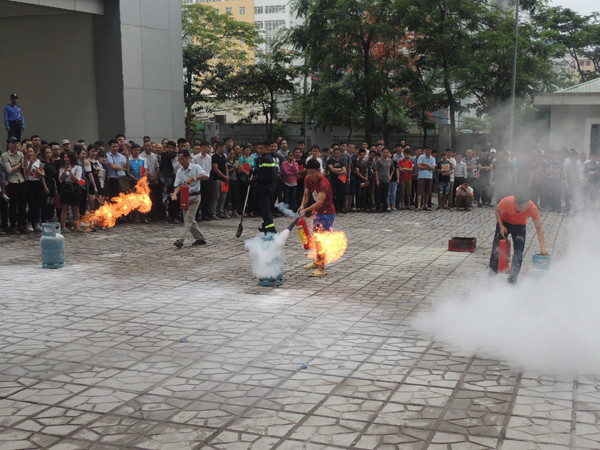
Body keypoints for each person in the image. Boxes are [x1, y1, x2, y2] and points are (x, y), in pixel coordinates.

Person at [489, 192, 548, 284]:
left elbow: (539, 228)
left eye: (527, 205)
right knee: (496, 253)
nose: (526, 208)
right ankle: (491, 280)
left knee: (518, 255)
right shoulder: (507, 201)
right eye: (523, 207)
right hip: (504, 222)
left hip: (520, 226)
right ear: (516, 204)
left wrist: (542, 246)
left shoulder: (532, 207)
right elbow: (497, 210)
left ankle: (511, 283)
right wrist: (501, 225)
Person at [298, 158, 336, 277]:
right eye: (309, 172)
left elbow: (319, 203)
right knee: (316, 239)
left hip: (327, 214)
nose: (311, 175)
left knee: (322, 240)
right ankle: (317, 261)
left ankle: (321, 268)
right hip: (318, 213)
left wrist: (305, 210)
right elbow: (306, 195)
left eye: (313, 172)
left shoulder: (324, 183)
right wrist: (302, 206)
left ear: (319, 171)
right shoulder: (307, 179)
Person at [171, 149, 210, 249]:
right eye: (179, 159)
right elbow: (179, 185)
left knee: (188, 218)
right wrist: (174, 194)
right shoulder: (179, 171)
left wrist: (194, 178)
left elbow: (206, 175)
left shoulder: (196, 167)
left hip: (195, 196)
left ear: (188, 158)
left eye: (183, 159)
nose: (181, 161)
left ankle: (180, 240)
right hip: (185, 197)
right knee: (189, 219)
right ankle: (200, 238)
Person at [1, 136, 27, 233]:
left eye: (16, 143)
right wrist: (20, 164)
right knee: (13, 205)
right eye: (13, 143)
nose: (15, 145)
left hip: (22, 181)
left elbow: (25, 166)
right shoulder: (5, 155)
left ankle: (21, 224)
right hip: (12, 182)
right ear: (8, 144)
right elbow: (9, 170)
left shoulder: (21, 154)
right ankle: (13, 225)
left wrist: (24, 157)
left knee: (22, 205)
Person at [254, 141, 277, 234]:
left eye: (262, 148)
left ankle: (271, 230)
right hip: (267, 188)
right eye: (258, 148)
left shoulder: (266, 159)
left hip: (264, 188)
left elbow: (265, 176)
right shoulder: (265, 158)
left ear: (267, 149)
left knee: (265, 209)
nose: (259, 150)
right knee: (265, 209)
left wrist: (255, 180)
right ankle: (265, 226)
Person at [58, 152, 83, 232]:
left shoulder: (78, 167)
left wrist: (71, 172)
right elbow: (61, 179)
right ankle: (63, 226)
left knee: (76, 208)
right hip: (66, 188)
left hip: (74, 188)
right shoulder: (62, 168)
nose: (66, 159)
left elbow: (77, 180)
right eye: (65, 157)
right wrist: (64, 171)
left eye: (67, 157)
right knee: (65, 208)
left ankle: (77, 226)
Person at [23, 146, 45, 231]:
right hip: (29, 183)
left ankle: (36, 222)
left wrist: (39, 173)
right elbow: (26, 173)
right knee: (32, 204)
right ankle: (29, 222)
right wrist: (31, 164)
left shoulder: (38, 161)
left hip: (38, 183)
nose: (30, 153)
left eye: (32, 151)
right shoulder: (25, 162)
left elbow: (43, 173)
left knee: (38, 204)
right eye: (28, 151)